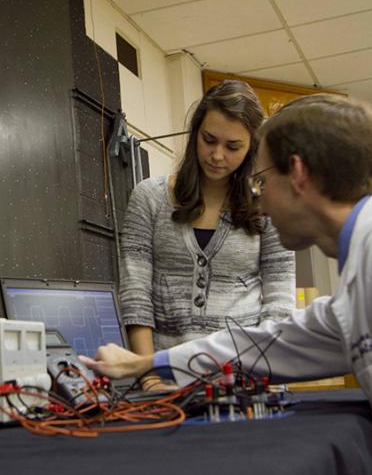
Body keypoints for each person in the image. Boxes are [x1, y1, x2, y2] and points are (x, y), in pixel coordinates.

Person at [81, 93, 372, 408]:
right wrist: (144, 365)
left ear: (298, 174)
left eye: (260, 183)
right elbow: (270, 346)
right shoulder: (352, 295)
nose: (259, 204)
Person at [119, 80, 295, 389]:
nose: (216, 155)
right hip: (166, 381)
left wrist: (263, 376)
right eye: (208, 139)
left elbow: (279, 302)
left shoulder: (268, 204)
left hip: (248, 381)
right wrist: (148, 377)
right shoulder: (149, 198)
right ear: (194, 134)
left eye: (232, 147)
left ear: (251, 147)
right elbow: (136, 296)